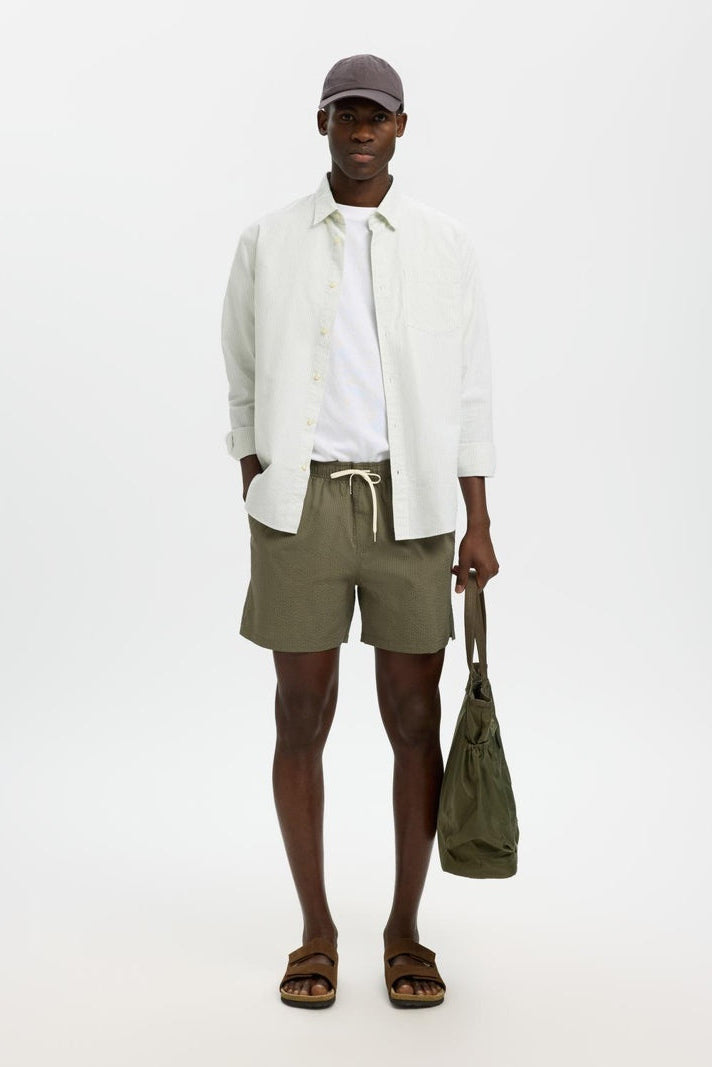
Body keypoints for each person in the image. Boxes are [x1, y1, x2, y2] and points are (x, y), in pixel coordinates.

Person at [221, 53, 499, 1009]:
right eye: (347, 114)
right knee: (300, 715)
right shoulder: (268, 241)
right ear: (323, 123)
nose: (362, 131)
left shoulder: (444, 244)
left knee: (414, 719)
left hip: (412, 508)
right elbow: (242, 370)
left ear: (401, 126)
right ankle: (316, 930)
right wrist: (255, 475)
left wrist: (477, 518)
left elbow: (470, 391)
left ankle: (405, 930)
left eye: (377, 116)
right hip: (299, 506)